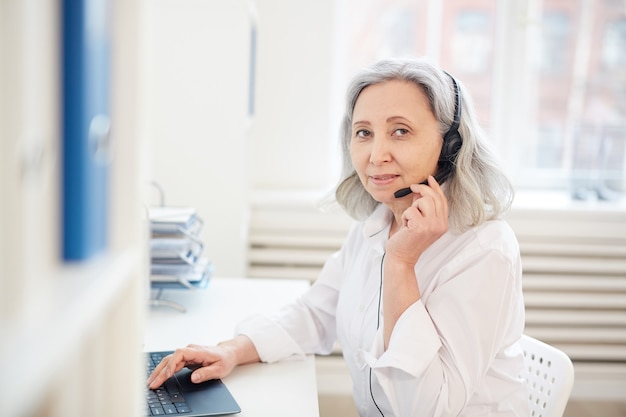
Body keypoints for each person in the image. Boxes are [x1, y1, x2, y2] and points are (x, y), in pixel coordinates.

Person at [147, 57, 528, 417]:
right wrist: (230, 350)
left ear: (450, 145)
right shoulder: (379, 223)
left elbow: (427, 407)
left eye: (400, 131)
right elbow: (316, 312)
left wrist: (401, 264)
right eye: (364, 132)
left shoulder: (484, 249)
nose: (376, 154)